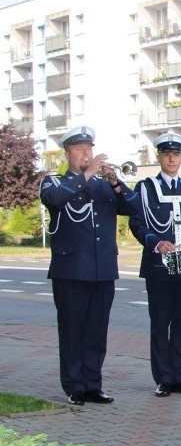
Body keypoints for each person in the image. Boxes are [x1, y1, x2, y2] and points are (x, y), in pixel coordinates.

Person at [40, 125, 142, 405]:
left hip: (102, 269)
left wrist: (115, 182)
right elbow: (57, 200)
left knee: (97, 332)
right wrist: (88, 172)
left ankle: (92, 384)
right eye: (80, 149)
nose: (87, 154)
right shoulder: (54, 183)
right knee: (72, 330)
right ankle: (73, 386)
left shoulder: (102, 185)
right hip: (71, 271)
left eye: (90, 149)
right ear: (68, 154)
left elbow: (135, 208)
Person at [128, 131, 181, 398]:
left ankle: (179, 377)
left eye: (176, 154)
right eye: (166, 154)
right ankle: (163, 379)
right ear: (159, 157)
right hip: (159, 266)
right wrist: (155, 241)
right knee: (160, 322)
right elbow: (137, 223)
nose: (172, 158)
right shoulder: (145, 188)